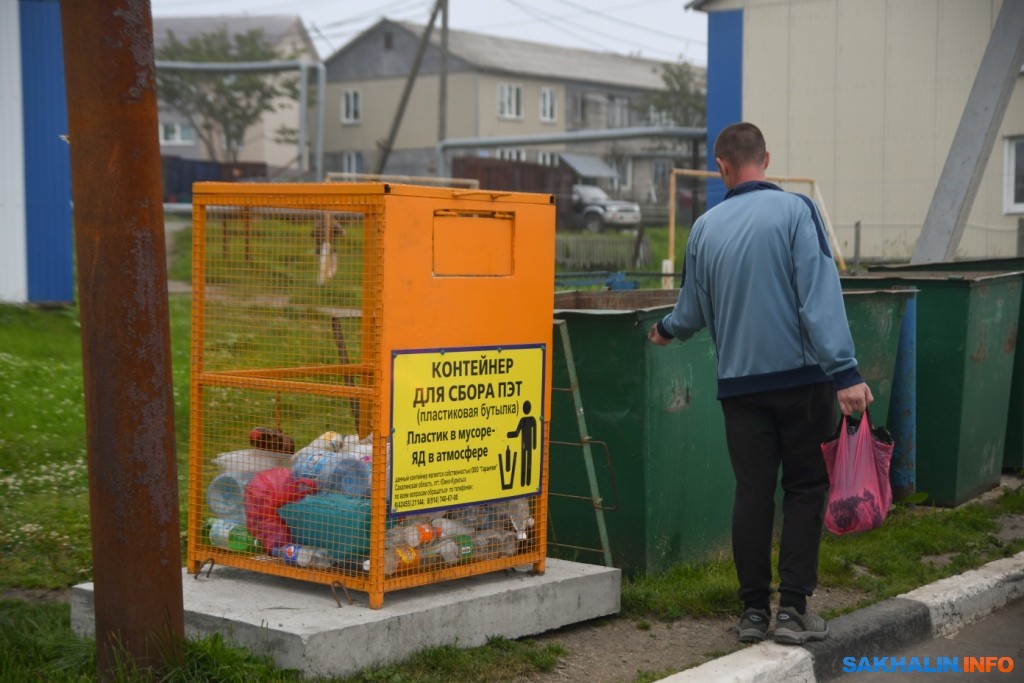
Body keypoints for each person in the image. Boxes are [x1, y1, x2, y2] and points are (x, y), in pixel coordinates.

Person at [648, 122, 872, 645]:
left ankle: (752, 613)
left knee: (752, 494)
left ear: (722, 166)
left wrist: (665, 330)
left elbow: (691, 310)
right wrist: (845, 371)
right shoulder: (797, 212)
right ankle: (793, 611)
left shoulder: (705, 227)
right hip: (801, 383)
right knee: (805, 489)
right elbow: (818, 297)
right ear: (766, 159)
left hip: (740, 389)